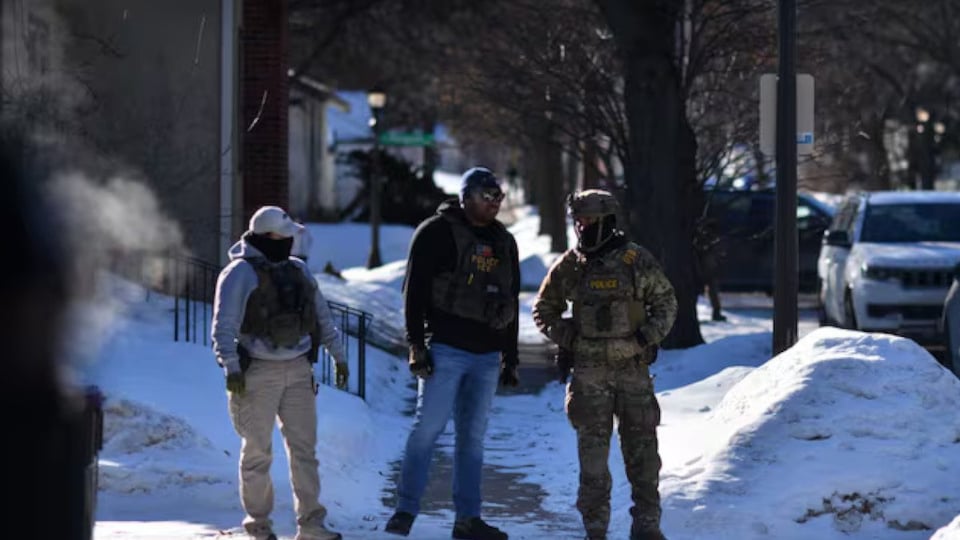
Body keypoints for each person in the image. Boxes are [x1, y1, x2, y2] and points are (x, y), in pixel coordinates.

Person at [532, 190, 677, 540]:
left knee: (643, 457)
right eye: (578, 221)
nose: (582, 228)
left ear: (607, 220)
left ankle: (647, 527)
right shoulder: (572, 264)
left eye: (589, 221)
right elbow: (544, 309)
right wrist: (572, 340)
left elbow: (667, 305)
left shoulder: (635, 260)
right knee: (593, 462)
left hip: (633, 374)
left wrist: (640, 341)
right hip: (589, 376)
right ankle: (595, 530)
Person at [385, 167, 520, 540]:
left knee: (472, 438)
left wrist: (511, 357)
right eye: (487, 195)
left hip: (487, 355)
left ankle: (468, 519)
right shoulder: (436, 232)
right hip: (445, 349)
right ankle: (405, 510)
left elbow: (511, 299)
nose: (494, 202)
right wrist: (416, 344)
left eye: (498, 196)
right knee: (427, 429)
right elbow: (413, 292)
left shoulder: (504, 241)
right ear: (466, 196)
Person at [212, 205, 349, 540]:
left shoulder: (298, 270)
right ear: (267, 236)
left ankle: (312, 525)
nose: (290, 242)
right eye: (285, 236)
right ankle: (258, 526)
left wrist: (339, 356)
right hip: (256, 374)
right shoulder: (238, 273)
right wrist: (231, 367)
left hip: (300, 370)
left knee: (305, 449)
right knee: (257, 451)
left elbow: (322, 316)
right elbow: (222, 327)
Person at [693, 215, 726, 322]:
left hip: (703, 265)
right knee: (709, 288)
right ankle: (716, 312)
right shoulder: (707, 236)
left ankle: (716, 312)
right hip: (702, 265)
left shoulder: (705, 235)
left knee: (709, 288)